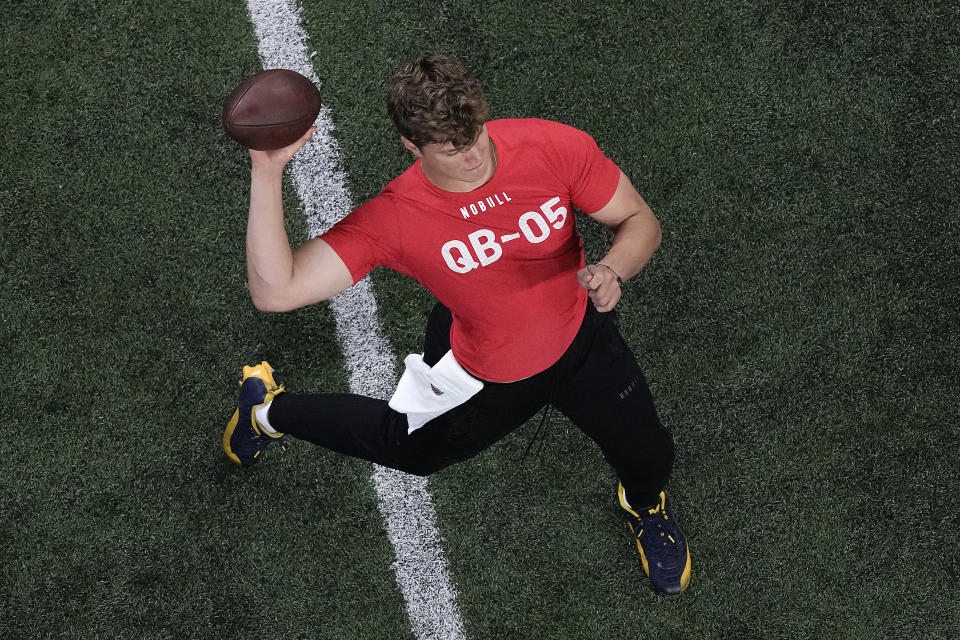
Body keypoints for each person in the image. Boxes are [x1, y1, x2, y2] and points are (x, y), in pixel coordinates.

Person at [223, 54, 691, 595]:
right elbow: (275, 291)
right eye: (452, 148)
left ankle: (643, 504)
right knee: (409, 451)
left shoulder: (551, 146)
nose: (474, 157)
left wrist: (614, 268)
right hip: (485, 373)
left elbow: (639, 221)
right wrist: (267, 171)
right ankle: (267, 410)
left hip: (581, 340)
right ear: (411, 145)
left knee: (649, 452)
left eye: (477, 137)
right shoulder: (395, 219)